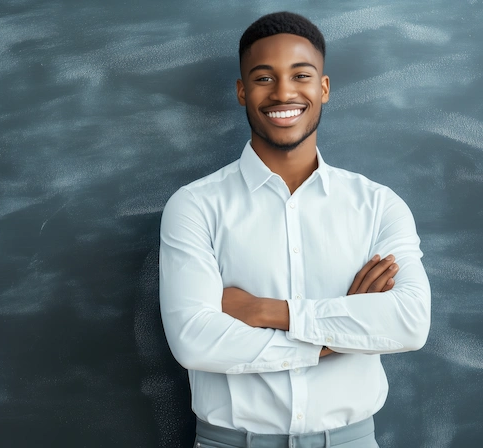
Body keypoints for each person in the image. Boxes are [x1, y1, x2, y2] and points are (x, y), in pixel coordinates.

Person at [158, 11, 431, 448]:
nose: (284, 91)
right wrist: (331, 339)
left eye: (300, 75)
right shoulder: (193, 207)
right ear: (242, 91)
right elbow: (194, 340)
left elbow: (410, 322)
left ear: (323, 88)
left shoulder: (379, 205)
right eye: (264, 78)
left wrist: (269, 312)